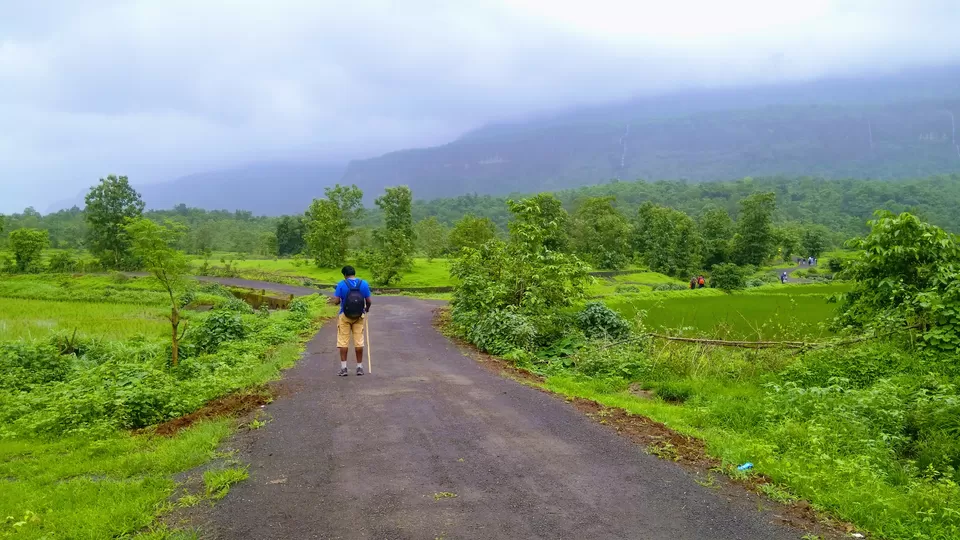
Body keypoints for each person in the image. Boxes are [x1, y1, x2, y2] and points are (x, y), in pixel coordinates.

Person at [333, 265, 372, 377]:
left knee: (343, 341)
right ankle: (359, 367)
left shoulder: (341, 284)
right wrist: (366, 309)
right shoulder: (363, 283)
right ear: (354, 273)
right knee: (359, 341)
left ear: (345, 275)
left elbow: (336, 301)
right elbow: (368, 301)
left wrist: (338, 299)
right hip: (359, 316)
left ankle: (344, 368)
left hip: (344, 315)